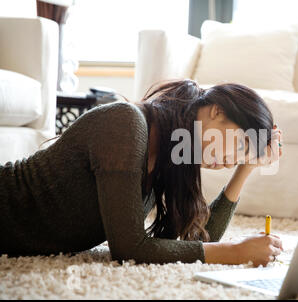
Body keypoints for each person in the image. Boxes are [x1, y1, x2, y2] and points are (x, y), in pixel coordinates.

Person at [0, 79, 283, 267]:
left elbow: (198, 242)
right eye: (239, 144)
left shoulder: (171, 158)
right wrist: (235, 253)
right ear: (217, 111)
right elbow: (129, 248)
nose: (230, 159)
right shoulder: (125, 122)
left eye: (241, 156)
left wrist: (247, 168)